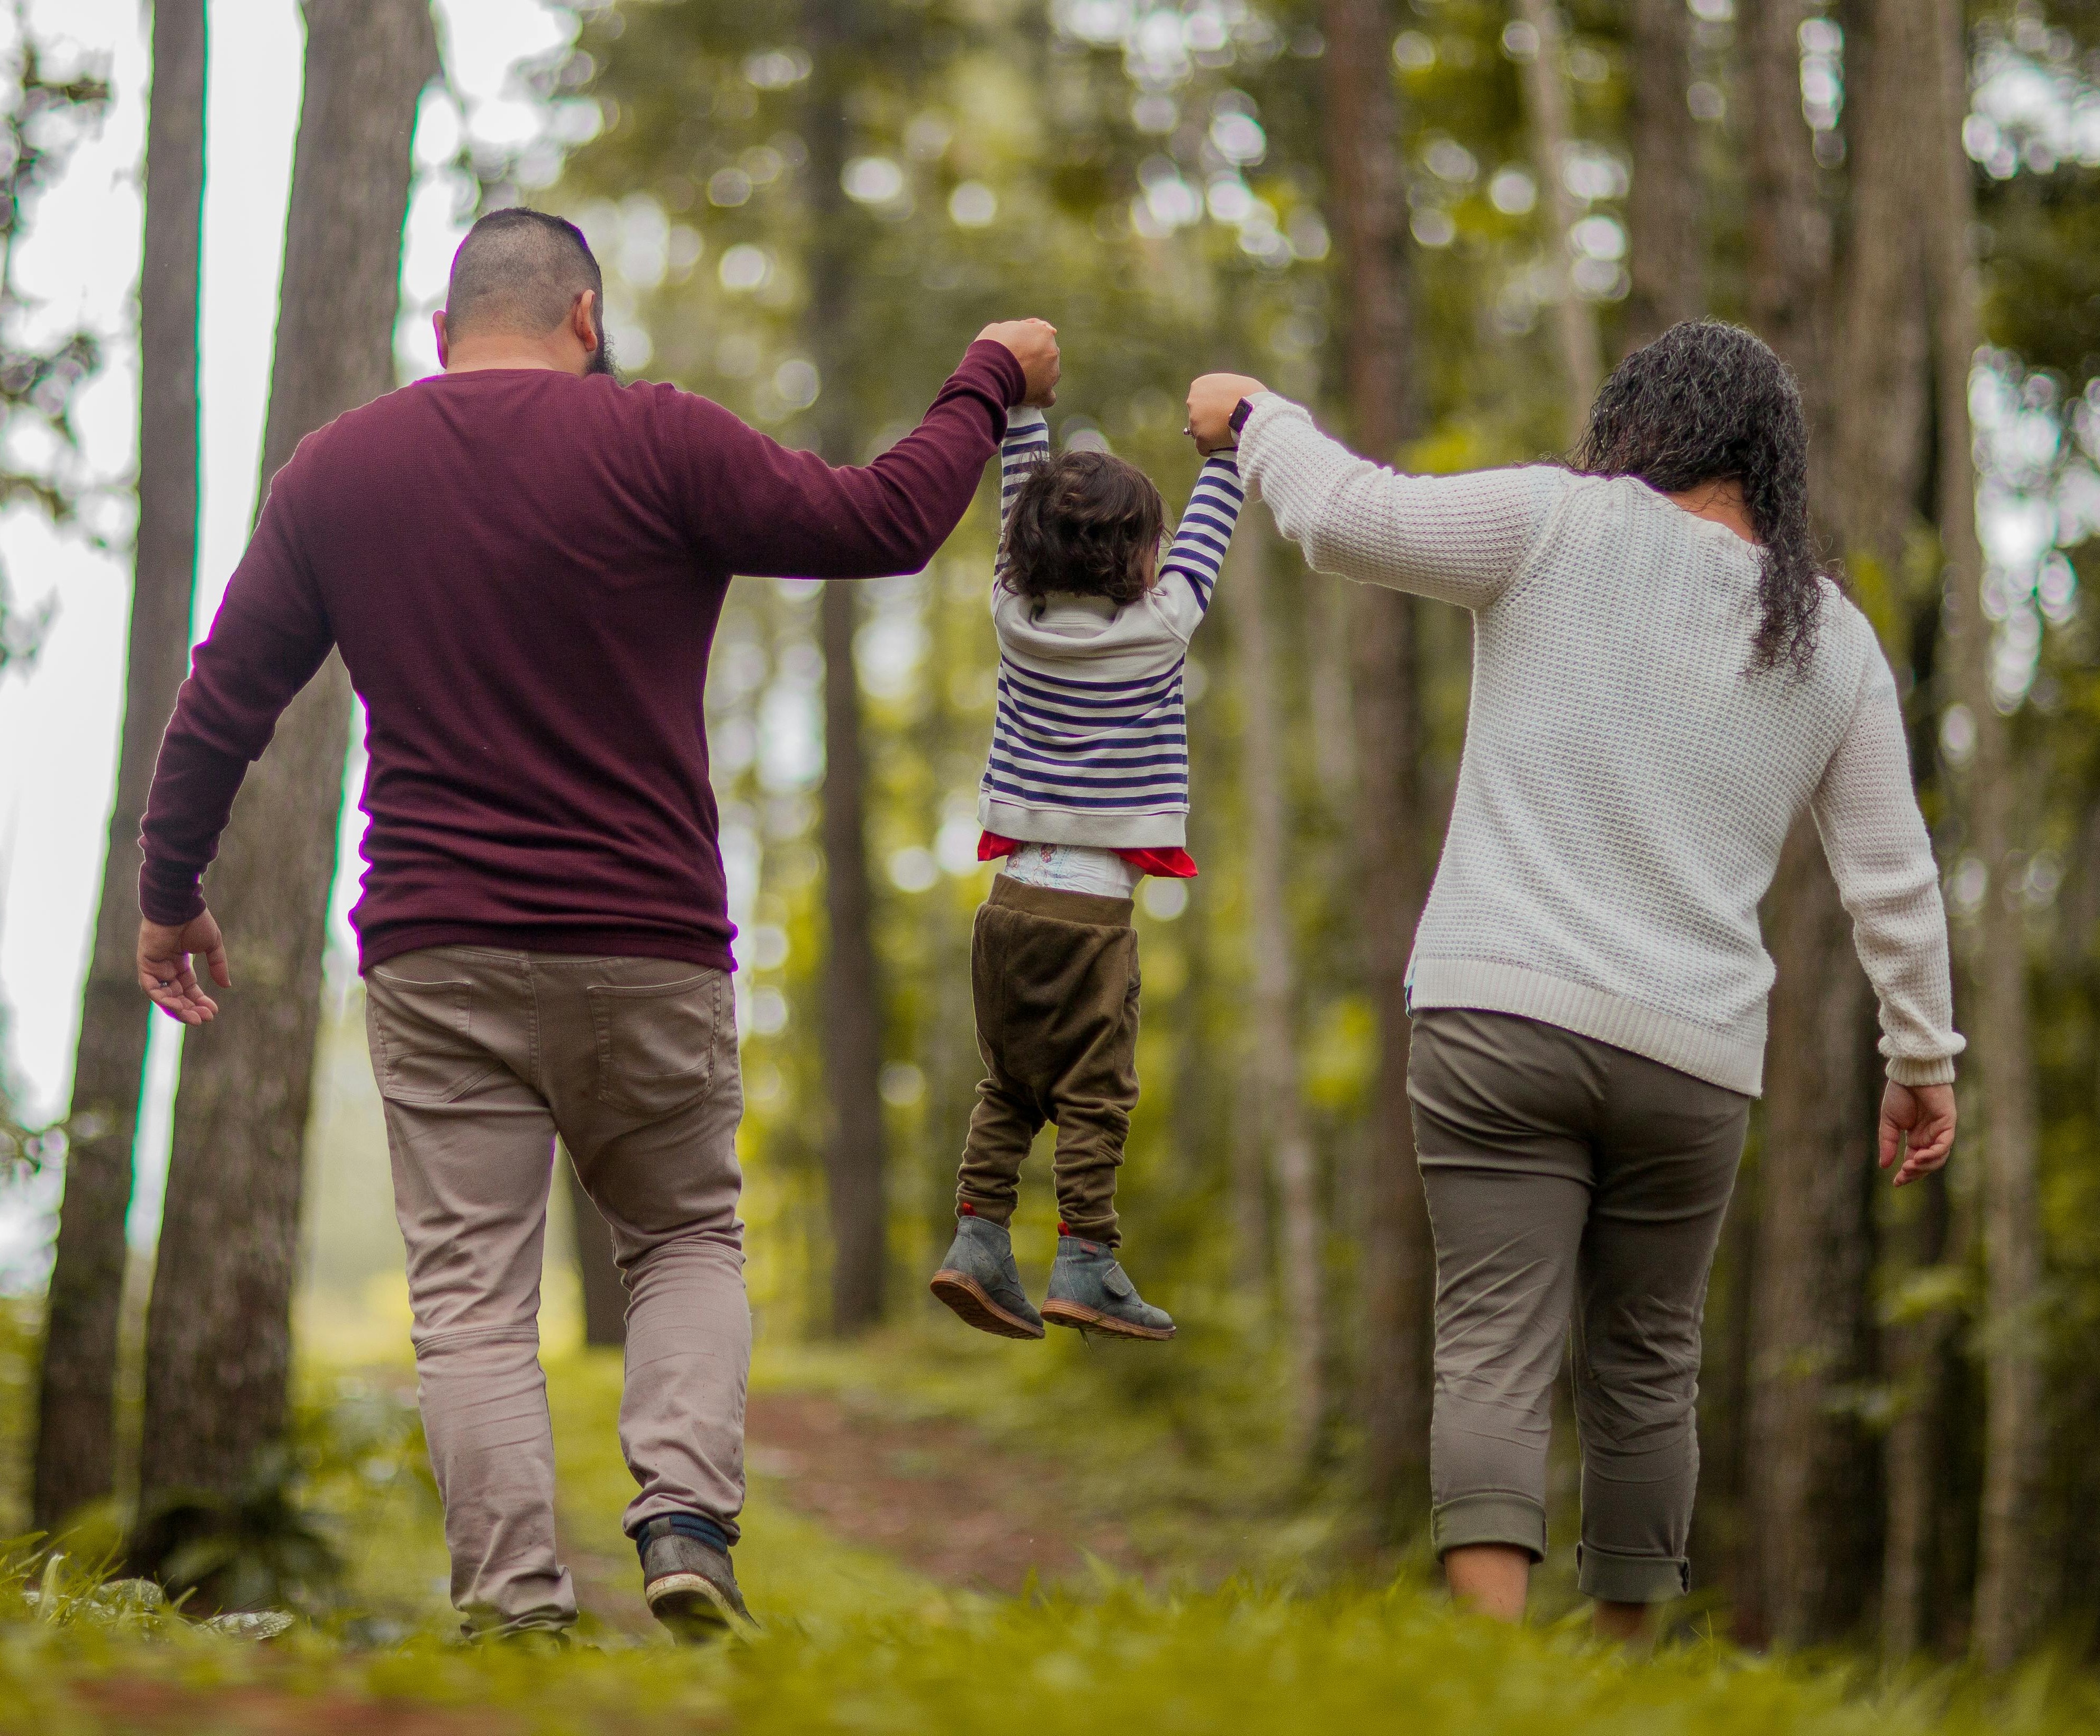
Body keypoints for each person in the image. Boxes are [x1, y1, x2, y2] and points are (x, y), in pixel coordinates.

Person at [133, 206, 1060, 1641]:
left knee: (470, 1302)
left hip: (437, 948)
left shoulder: (339, 471)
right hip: (647, 939)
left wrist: (169, 890)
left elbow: (225, 699)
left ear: (442, 338)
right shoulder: (659, 437)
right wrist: (987, 376)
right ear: (586, 317)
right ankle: (688, 1522)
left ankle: (514, 1610)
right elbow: (884, 522)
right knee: (685, 1234)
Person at [1184, 320, 1962, 1641]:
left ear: (1639, 423)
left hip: (1499, 1015)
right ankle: (1618, 1682)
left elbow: (1343, 519)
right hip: (1693, 1057)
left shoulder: (1556, 521)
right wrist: (1921, 1059)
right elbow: (1892, 875)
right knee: (1650, 1369)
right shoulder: (1829, 638)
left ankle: (1495, 1677)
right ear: (1771, 462)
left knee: (1494, 1341)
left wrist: (1259, 414)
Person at [927, 400, 1244, 1342]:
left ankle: (978, 1238)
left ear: (1027, 551)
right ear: (1140, 559)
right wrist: (1226, 449)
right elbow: (1212, 530)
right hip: (1092, 918)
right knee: (1094, 1096)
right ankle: (1086, 1258)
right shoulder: (1162, 628)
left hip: (1009, 907)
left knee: (1010, 1086)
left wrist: (1025, 410)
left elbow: (1010, 504)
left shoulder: (1010, 617)